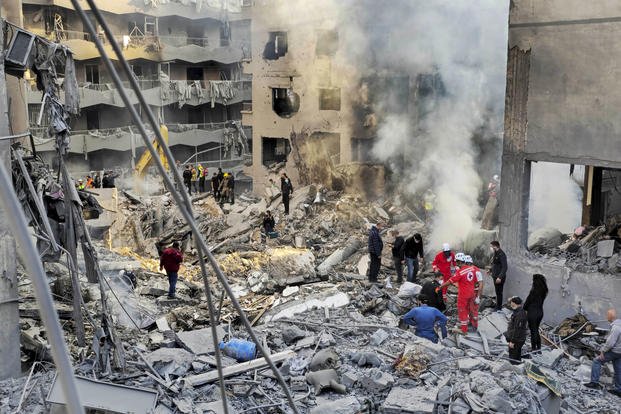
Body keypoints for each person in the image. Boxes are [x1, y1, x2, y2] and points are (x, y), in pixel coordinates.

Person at [437, 253, 483, 334]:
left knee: (462, 311)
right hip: (472, 293)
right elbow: (478, 282)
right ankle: (470, 325)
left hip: (463, 295)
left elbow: (450, 281)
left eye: (457, 262)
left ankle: (464, 330)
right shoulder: (472, 269)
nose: (456, 264)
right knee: (470, 309)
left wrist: (441, 286)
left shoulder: (460, 272)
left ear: (459, 262)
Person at [584, 309, 621, 397]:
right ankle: (619, 390)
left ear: (611, 316)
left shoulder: (616, 327)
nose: (606, 317)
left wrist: (603, 352)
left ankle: (594, 383)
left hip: (614, 351)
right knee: (618, 370)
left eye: (607, 315)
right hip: (620, 352)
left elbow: (610, 343)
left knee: (597, 361)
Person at [523, 274, 548, 351]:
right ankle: (539, 348)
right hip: (540, 312)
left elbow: (527, 302)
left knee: (533, 331)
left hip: (532, 313)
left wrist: (524, 308)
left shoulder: (533, 291)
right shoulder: (544, 291)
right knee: (536, 330)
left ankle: (534, 348)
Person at [504, 296, 528, 364]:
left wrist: (512, 341)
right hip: (518, 339)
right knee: (517, 355)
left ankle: (514, 368)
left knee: (513, 356)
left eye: (512, 303)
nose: (511, 304)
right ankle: (517, 366)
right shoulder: (518, 311)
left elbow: (517, 329)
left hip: (517, 340)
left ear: (514, 303)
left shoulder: (520, 314)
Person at [489, 240, 508, 311]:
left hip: (499, 277)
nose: (490, 248)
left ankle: (499, 307)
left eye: (491, 246)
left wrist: (500, 277)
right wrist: (490, 270)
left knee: (499, 292)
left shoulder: (502, 254)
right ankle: (497, 305)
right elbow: (495, 264)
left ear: (495, 246)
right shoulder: (495, 253)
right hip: (495, 276)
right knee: (497, 292)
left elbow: (505, 267)